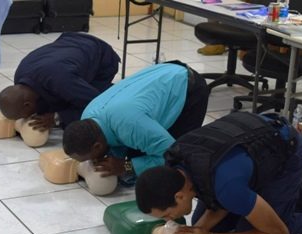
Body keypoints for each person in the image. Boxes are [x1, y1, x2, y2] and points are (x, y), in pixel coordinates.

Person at [135, 112, 302, 234]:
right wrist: (201, 230)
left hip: (288, 154)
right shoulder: (174, 163)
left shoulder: (226, 185)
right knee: (212, 223)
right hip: (251, 154)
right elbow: (215, 192)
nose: (168, 220)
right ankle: (291, 195)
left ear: (179, 196)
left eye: (167, 214)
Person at [62, 61, 210, 184]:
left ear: (97, 146)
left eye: (90, 158)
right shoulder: (87, 116)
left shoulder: (130, 125)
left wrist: (126, 166)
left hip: (187, 86)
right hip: (161, 74)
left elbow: (172, 153)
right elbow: (115, 141)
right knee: (138, 156)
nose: (93, 161)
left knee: (177, 161)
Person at [0, 32, 120, 130]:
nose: (26, 119)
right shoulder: (20, 76)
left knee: (92, 113)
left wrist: (57, 117)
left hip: (101, 56)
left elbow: (95, 103)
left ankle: (119, 92)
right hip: (70, 42)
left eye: (24, 116)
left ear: (27, 105)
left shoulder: (62, 80)